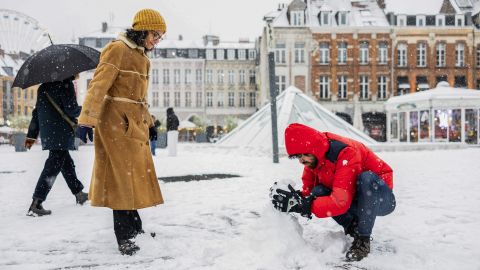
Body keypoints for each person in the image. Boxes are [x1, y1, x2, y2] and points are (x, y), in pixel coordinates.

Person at [75, 9, 165, 255]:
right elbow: (98, 85)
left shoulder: (143, 57)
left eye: (160, 37)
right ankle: (124, 237)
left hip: (134, 125)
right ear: (142, 30)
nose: (157, 40)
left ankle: (135, 229)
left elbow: (140, 99)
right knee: (121, 180)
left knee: (132, 178)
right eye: (155, 35)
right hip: (115, 122)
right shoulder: (117, 49)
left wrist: (150, 123)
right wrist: (86, 120)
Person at [271, 123, 396, 261]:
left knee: (366, 178)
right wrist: (296, 199)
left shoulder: (346, 152)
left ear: (314, 149)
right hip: (356, 197)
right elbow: (308, 193)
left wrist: (304, 205)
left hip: (379, 198)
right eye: (298, 156)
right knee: (318, 191)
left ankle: (363, 240)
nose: (302, 160)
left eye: (305, 155)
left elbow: (340, 202)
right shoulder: (315, 159)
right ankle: (352, 228)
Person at [25, 76, 89, 217]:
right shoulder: (66, 84)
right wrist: (87, 109)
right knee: (53, 166)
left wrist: (31, 136)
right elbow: (71, 110)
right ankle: (36, 202)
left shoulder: (43, 87)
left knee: (66, 163)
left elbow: (37, 113)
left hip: (48, 132)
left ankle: (78, 193)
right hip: (61, 131)